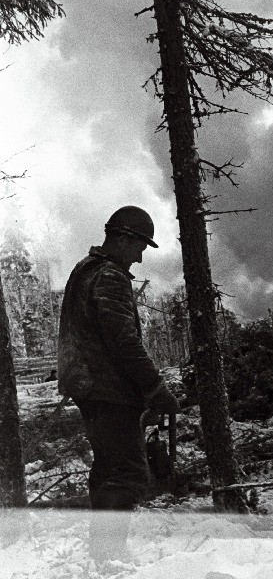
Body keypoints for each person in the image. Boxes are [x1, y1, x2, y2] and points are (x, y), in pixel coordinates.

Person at [57, 206, 179, 563]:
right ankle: (110, 559)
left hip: (88, 388)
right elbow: (123, 341)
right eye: (140, 247)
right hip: (108, 390)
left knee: (108, 469)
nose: (140, 258)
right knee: (126, 472)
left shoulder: (84, 269)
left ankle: (104, 554)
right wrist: (157, 389)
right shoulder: (110, 275)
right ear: (123, 239)